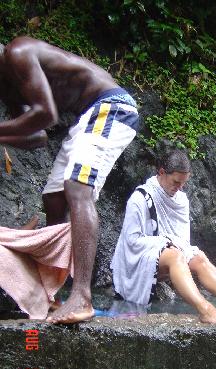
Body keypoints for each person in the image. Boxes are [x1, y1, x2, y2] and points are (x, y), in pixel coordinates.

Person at [0, 36, 139, 324]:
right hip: (86, 119)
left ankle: (82, 297)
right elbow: (36, 137)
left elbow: (46, 115)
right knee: (53, 197)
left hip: (111, 106)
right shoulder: (7, 85)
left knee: (77, 187)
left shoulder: (18, 52)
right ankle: (54, 293)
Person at [111, 149, 216, 324]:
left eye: (183, 183)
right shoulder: (139, 198)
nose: (179, 188)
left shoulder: (181, 200)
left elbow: (183, 241)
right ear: (161, 172)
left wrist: (171, 244)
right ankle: (205, 310)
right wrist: (165, 243)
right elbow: (131, 242)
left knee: (199, 257)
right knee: (175, 255)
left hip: (167, 255)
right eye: (176, 182)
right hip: (139, 260)